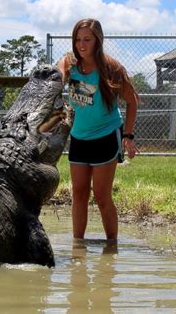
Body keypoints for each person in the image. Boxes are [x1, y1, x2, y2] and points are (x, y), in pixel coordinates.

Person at [57, 18, 139, 241]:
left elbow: (133, 101)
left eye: (87, 40)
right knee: (79, 194)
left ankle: (111, 247)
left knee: (102, 196)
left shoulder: (111, 68)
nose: (81, 45)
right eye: (77, 39)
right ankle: (78, 247)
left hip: (106, 135)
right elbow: (57, 78)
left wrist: (128, 135)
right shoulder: (69, 62)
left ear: (98, 41)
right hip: (79, 137)